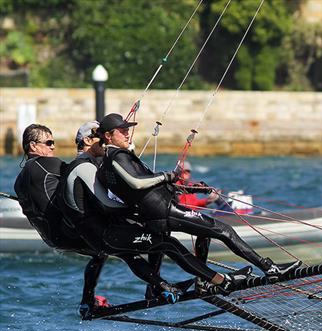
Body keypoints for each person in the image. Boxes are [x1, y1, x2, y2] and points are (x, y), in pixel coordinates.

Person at [57, 120, 253, 306]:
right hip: (102, 233)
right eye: (98, 136)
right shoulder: (85, 167)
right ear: (88, 141)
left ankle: (157, 288)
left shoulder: (94, 164)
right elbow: (107, 203)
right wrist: (141, 209)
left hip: (102, 232)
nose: (104, 140)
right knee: (167, 243)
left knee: (150, 244)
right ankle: (219, 281)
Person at [96, 113, 298, 282]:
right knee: (224, 231)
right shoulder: (117, 157)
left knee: (197, 236)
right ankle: (270, 269)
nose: (127, 133)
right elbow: (137, 183)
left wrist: (188, 189)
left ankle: (177, 286)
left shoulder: (108, 163)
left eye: (127, 129)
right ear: (108, 135)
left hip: (153, 214)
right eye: (121, 131)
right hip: (163, 211)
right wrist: (167, 175)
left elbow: (139, 190)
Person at [13, 124, 111, 316]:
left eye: (53, 143)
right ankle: (157, 285)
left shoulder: (19, 180)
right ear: (33, 146)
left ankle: (87, 302)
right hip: (69, 231)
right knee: (114, 242)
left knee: (100, 252)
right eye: (48, 143)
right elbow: (81, 174)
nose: (53, 147)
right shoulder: (48, 164)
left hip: (53, 240)